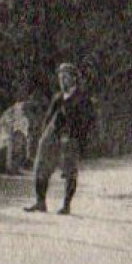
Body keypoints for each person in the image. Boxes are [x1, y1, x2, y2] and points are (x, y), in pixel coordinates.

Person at [23, 62, 95, 216]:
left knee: (69, 172)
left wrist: (76, 139)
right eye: (60, 77)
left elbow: (87, 122)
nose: (62, 81)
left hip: (71, 139)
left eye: (66, 77)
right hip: (53, 137)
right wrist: (43, 135)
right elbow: (49, 117)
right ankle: (40, 202)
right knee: (41, 167)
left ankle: (66, 205)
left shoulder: (82, 99)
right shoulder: (58, 97)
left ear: (74, 79)